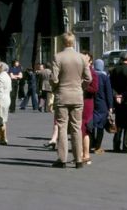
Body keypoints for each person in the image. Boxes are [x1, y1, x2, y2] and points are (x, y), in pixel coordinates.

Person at [50, 32, 91, 169]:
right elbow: (88, 78)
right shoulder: (82, 58)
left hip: (62, 95)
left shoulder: (58, 57)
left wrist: (56, 88)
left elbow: (54, 78)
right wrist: (81, 87)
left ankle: (62, 159)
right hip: (77, 95)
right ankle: (78, 159)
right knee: (76, 127)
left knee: (62, 127)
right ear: (73, 42)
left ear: (63, 42)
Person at [109, 50, 127, 153]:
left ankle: (116, 144)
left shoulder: (113, 70)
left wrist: (117, 95)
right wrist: (123, 95)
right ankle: (126, 145)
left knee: (119, 122)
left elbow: (111, 86)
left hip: (117, 100)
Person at [91, 59, 113, 155]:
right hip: (102, 104)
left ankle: (91, 142)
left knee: (91, 125)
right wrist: (110, 106)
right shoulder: (104, 77)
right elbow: (109, 93)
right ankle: (98, 146)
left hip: (92, 103)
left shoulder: (91, 75)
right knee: (101, 126)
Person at [81, 52, 98, 165]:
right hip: (79, 102)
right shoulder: (80, 71)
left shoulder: (93, 73)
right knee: (79, 130)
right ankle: (81, 154)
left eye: (85, 58)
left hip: (87, 103)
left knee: (85, 129)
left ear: (90, 61)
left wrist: (83, 87)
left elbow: (95, 89)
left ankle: (86, 155)